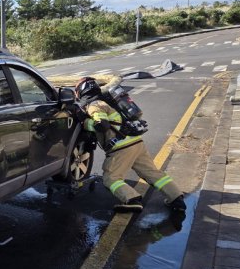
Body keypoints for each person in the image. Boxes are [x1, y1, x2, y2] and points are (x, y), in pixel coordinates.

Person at [75, 76, 185, 213]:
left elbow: (102, 125)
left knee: (111, 179)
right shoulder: (109, 101)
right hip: (136, 143)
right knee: (152, 173)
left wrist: (85, 122)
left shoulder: (94, 105)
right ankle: (176, 197)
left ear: (81, 92)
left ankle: (132, 200)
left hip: (121, 148)